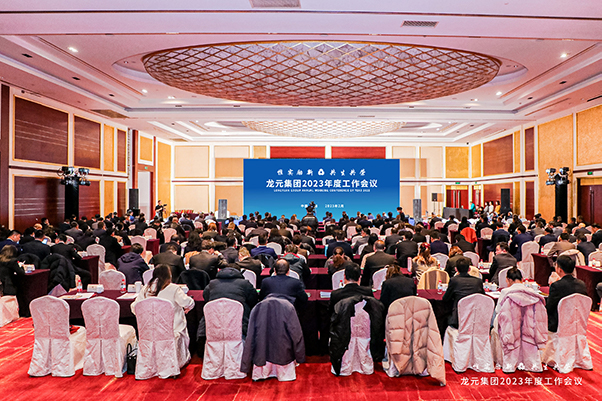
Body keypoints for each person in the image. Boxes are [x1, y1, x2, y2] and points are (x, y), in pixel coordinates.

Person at [131, 264, 194, 360]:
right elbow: (187, 303)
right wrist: (189, 306)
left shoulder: (146, 289)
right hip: (172, 329)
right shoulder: (174, 289)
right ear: (169, 275)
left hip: (150, 329)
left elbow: (135, 307)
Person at [202, 264, 258, 336]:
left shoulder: (212, 284)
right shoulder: (245, 283)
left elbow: (206, 298)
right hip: (240, 323)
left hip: (213, 322)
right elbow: (253, 300)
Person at [546, 255, 587, 333]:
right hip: (577, 323)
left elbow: (549, 307)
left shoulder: (556, 286)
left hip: (559, 324)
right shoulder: (582, 284)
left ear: (560, 269)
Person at [442, 256, 485, 329]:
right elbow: (483, 298)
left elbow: (446, 298)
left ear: (456, 269)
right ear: (469, 269)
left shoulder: (454, 281)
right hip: (475, 316)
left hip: (458, 317)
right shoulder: (478, 281)